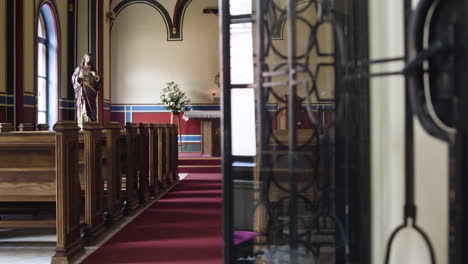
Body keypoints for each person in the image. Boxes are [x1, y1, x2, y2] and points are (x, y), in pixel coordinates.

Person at [71, 53, 100, 128]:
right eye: (87, 57)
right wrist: (78, 77)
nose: (88, 59)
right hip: (82, 90)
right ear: (84, 58)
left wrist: (95, 75)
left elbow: (98, 81)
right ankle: (82, 124)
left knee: (91, 107)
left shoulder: (92, 69)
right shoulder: (80, 68)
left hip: (91, 92)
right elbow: (73, 77)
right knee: (83, 106)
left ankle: (91, 123)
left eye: (90, 58)